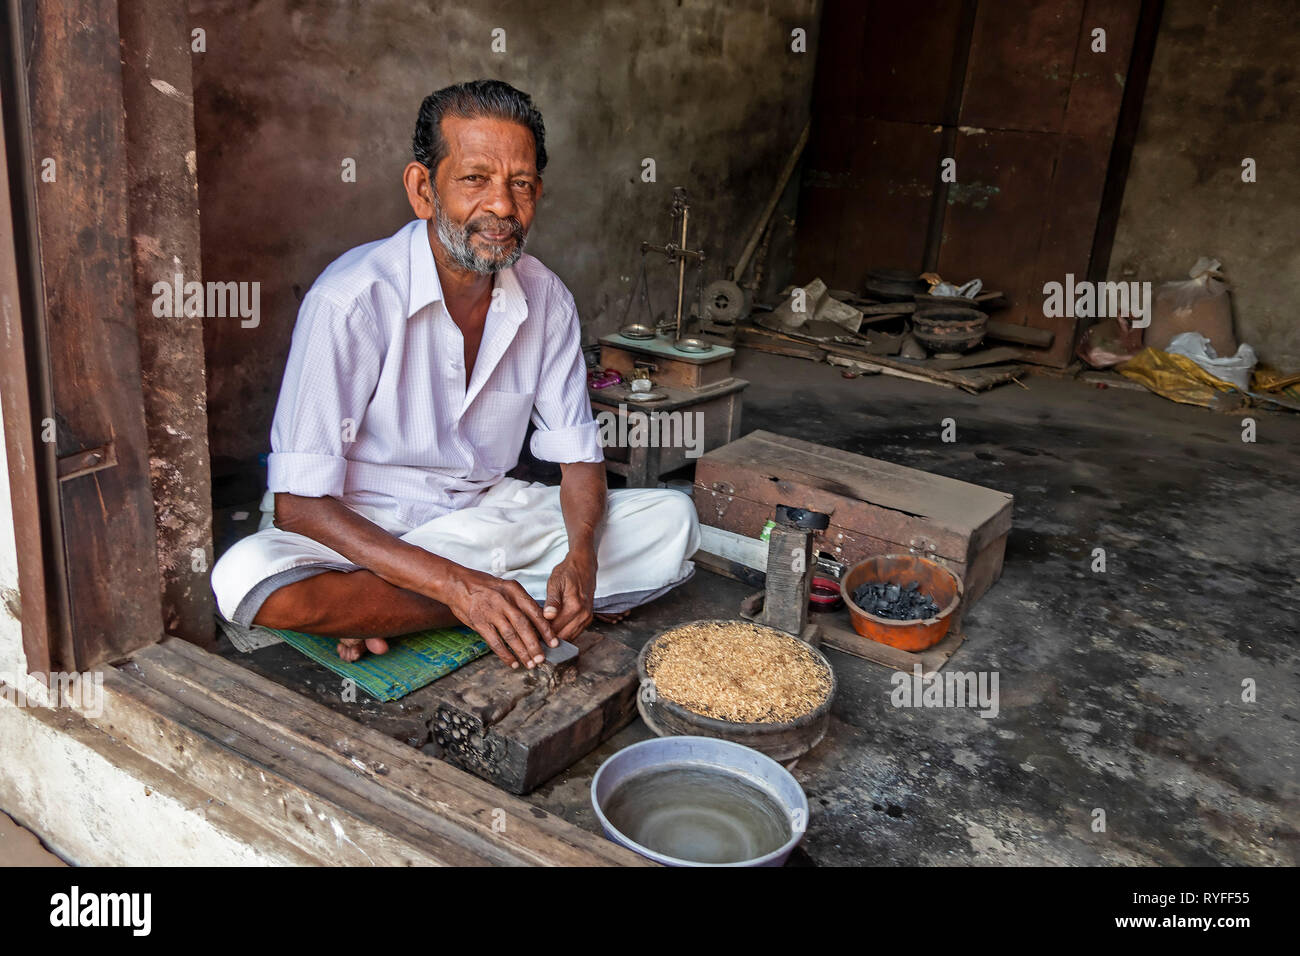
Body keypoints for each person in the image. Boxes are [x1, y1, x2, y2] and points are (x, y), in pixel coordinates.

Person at [211, 79, 698, 668]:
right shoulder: (352, 300)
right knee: (245, 578)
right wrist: (454, 586)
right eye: (475, 179)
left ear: (536, 194)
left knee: (672, 520)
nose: (501, 206)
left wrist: (580, 560)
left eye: (520, 185)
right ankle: (485, 601)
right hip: (359, 534)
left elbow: (579, 461)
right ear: (423, 190)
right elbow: (300, 507)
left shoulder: (546, 299)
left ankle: (402, 609)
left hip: (480, 520)